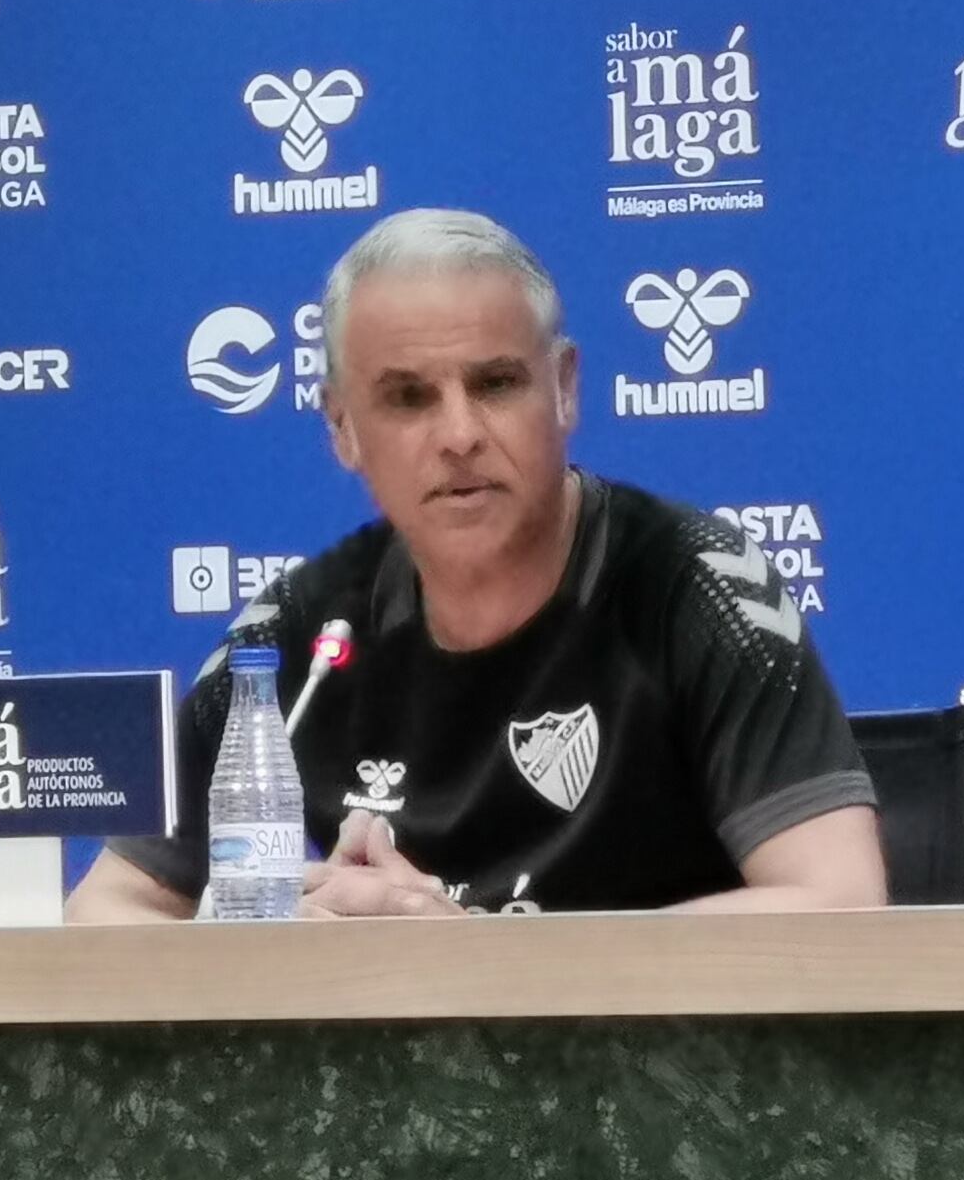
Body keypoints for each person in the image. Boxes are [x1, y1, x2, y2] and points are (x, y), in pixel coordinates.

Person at [69, 209, 886, 920]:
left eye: (495, 384)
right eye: (409, 397)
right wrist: (271, 931)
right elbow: (108, 910)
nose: (458, 434)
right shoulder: (298, 638)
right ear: (343, 428)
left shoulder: (697, 589)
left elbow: (840, 904)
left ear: (564, 390)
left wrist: (479, 958)